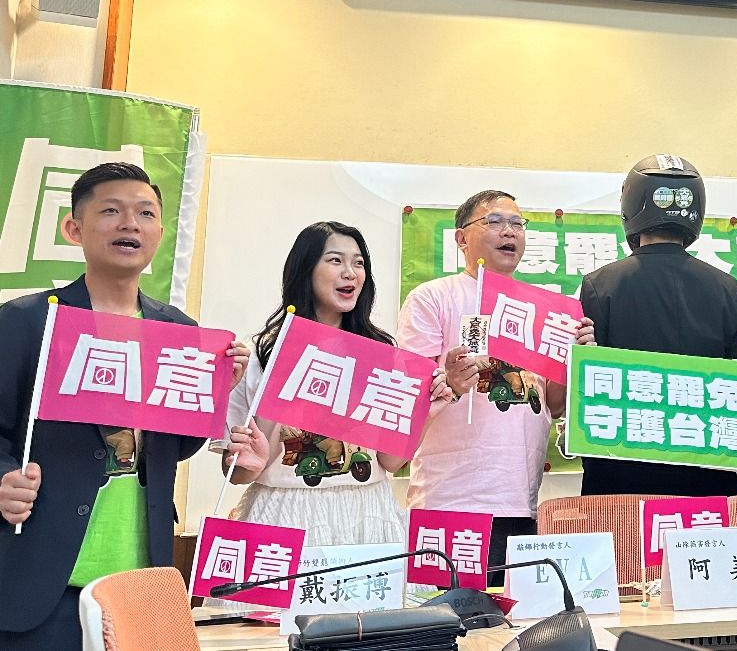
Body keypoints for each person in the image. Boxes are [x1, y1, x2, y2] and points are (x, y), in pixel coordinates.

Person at [0, 163, 249, 650]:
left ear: (158, 232)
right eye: (111, 211)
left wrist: (214, 392)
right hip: (41, 578)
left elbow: (173, 448)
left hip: (140, 577)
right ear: (74, 229)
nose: (130, 223)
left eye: (145, 213)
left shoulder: (179, 332)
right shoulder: (28, 321)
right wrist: (3, 478)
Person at [219, 221, 471, 546]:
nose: (350, 273)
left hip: (367, 512)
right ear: (306, 269)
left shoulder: (381, 354)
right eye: (336, 260)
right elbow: (239, 473)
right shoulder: (259, 354)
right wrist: (249, 460)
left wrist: (427, 414)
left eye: (359, 263)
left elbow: (389, 461)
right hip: (284, 512)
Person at [396, 190, 593, 584]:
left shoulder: (545, 310)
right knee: (445, 617)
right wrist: (450, 383)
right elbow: (407, 396)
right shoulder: (433, 298)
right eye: (495, 222)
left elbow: (551, 405)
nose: (509, 232)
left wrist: (574, 360)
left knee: (511, 617)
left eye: (518, 224)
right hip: (449, 501)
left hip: (520, 500)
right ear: (461, 238)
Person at [580, 154, 737, 497]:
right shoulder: (726, 287)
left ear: (631, 205)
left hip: (620, 475)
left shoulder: (600, 285)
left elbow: (591, 382)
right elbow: (734, 379)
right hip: (706, 472)